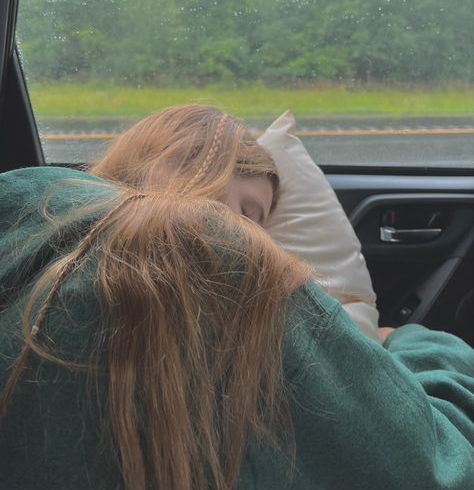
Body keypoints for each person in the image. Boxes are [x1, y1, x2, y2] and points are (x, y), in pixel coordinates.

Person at [0, 105, 473, 490]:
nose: (255, 236)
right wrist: (417, 341)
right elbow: (434, 466)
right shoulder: (236, 270)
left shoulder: (23, 213)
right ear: (189, 164)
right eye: (247, 213)